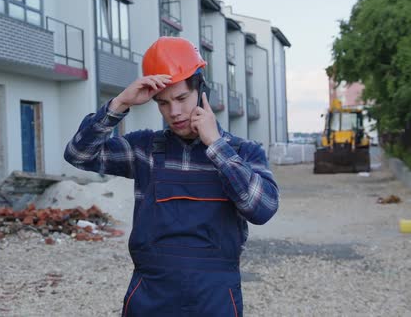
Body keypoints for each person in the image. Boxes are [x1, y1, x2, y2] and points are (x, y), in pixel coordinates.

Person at [64, 37, 279, 316]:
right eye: (163, 103)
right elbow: (78, 154)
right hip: (151, 295)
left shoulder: (242, 152)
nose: (174, 112)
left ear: (202, 92)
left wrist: (216, 146)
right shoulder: (145, 150)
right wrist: (120, 103)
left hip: (214, 296)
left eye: (181, 98)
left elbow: (262, 209)